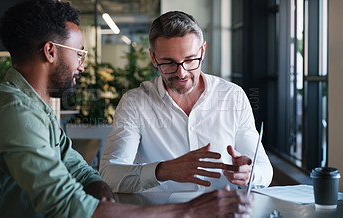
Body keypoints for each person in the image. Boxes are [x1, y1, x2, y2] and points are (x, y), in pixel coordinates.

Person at [0, 1, 252, 217]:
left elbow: (74, 164)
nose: (82, 64)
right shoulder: (13, 112)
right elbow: (70, 208)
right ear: (50, 52)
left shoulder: (30, 105)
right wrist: (188, 212)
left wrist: (97, 185)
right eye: (79, 53)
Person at [99, 11, 273, 193]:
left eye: (190, 60)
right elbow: (109, 175)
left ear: (203, 51)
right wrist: (163, 170)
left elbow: (265, 171)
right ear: (153, 58)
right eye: (168, 63)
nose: (181, 73)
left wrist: (248, 174)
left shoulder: (233, 96)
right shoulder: (135, 103)